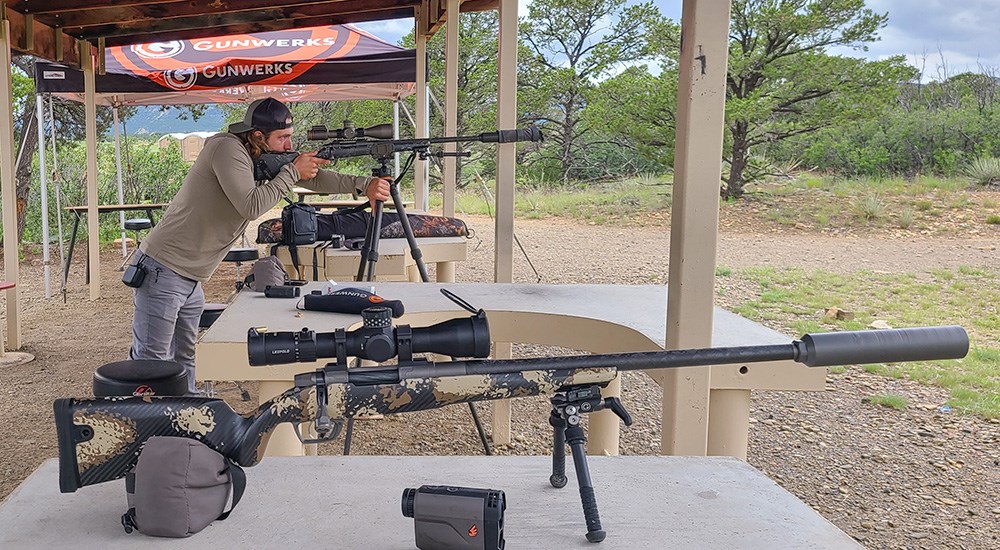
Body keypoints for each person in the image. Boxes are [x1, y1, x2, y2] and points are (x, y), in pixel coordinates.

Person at [127, 97, 390, 395]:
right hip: (164, 268)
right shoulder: (226, 149)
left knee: (184, 358)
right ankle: (141, 427)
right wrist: (291, 173)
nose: (289, 146)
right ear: (257, 136)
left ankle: (183, 417)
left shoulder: (258, 156)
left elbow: (313, 178)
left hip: (190, 278)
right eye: (282, 138)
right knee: (151, 363)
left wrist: (363, 184)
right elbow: (251, 206)